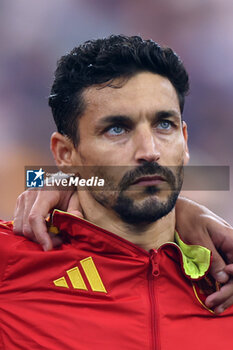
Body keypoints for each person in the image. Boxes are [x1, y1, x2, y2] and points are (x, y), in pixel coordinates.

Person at [1, 35, 233, 349]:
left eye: (164, 124)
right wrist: (54, 179)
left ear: (186, 140)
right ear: (65, 153)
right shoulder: (12, 264)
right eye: (117, 129)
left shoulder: (223, 278)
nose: (149, 151)